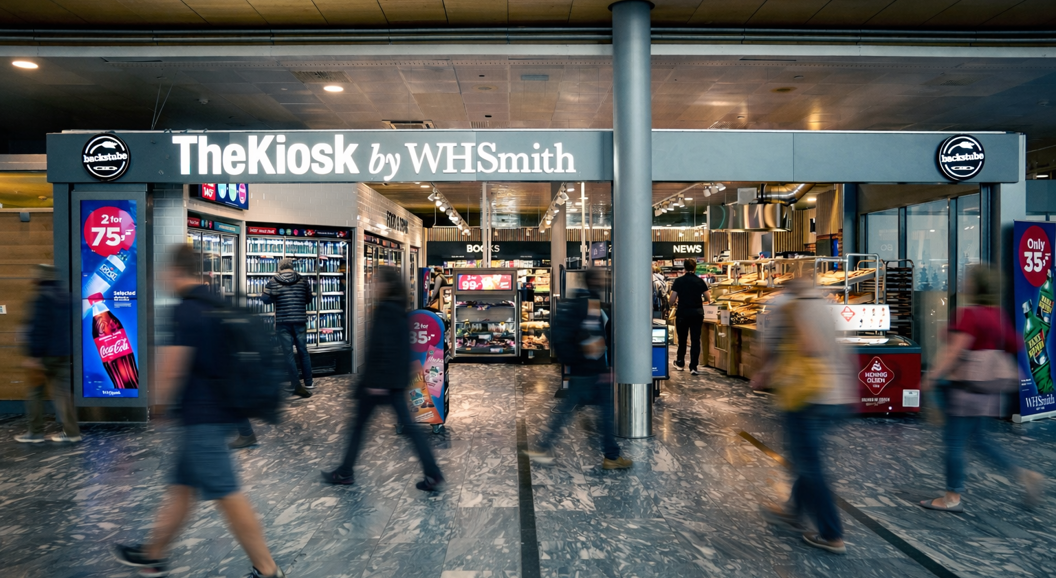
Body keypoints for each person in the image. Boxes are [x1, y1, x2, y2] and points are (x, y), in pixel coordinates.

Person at [113, 245, 285, 578]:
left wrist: (159, 404)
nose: (161, 278)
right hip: (214, 411)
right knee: (181, 487)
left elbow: (174, 366)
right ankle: (154, 553)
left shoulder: (187, 310)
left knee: (228, 494)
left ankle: (267, 569)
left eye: (164, 272)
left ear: (176, 270)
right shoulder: (213, 302)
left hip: (203, 418)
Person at [919, 264, 1044, 513]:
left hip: (963, 390)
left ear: (975, 285)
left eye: (968, 279)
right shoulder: (996, 314)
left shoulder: (968, 314)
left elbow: (955, 352)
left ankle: (952, 498)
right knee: (980, 441)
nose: (964, 282)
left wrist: (931, 376)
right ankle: (1025, 474)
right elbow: (1015, 343)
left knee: (954, 443)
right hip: (986, 393)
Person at [752, 278, 855, 555]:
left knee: (810, 466)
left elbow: (804, 346)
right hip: (838, 394)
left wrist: (764, 370)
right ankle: (794, 512)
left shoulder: (788, 308)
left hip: (807, 394)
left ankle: (831, 534)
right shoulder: (825, 306)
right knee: (805, 460)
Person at [322, 267, 444, 491]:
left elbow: (383, 347)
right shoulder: (399, 307)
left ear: (386, 285)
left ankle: (345, 472)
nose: (374, 285)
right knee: (406, 428)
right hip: (392, 379)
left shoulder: (385, 310)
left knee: (359, 427)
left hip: (379, 382)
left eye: (378, 281)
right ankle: (432, 472)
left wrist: (376, 383)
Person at [524, 268, 632, 470]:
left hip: (582, 368)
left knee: (569, 410)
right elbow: (594, 339)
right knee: (603, 413)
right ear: (595, 282)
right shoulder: (591, 305)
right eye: (602, 278)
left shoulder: (579, 303)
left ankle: (545, 446)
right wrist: (603, 366)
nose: (605, 280)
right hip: (590, 370)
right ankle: (611, 456)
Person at [14, 264, 81, 444]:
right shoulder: (68, 298)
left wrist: (34, 356)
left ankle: (35, 432)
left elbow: (40, 329)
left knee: (35, 392)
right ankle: (72, 432)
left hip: (45, 355)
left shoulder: (41, 299)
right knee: (64, 394)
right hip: (64, 353)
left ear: (40, 278)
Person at [669, 258, 712, 375]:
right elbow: (708, 298)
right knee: (695, 340)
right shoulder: (700, 281)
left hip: (683, 313)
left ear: (684, 267)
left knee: (682, 339)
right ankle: (693, 366)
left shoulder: (679, 281)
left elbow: (672, 299)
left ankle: (680, 362)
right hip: (697, 313)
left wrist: (673, 303)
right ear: (695, 268)